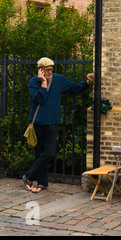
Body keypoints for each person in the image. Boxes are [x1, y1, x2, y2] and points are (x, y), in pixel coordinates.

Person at [22, 57, 94, 193]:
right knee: (39, 154)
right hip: (37, 123)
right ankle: (42, 183)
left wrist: (88, 82)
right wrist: (43, 83)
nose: (50, 72)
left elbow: (74, 88)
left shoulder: (58, 80)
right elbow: (39, 99)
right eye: (47, 70)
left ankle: (28, 176)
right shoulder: (33, 82)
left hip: (52, 122)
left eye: (51, 70)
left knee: (49, 153)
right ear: (40, 70)